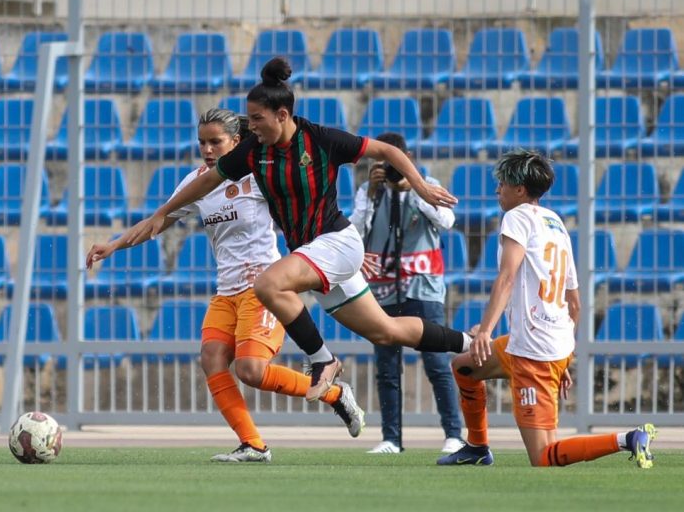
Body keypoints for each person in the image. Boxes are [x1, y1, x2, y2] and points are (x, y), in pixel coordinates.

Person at [121, 56, 471, 404]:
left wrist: (421, 186)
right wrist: (162, 213)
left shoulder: (320, 139)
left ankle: (323, 360)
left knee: (268, 285)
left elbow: (388, 150)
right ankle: (471, 342)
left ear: (282, 115)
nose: (251, 126)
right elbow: (209, 180)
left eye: (257, 119)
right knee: (385, 331)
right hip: (314, 256)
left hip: (336, 242)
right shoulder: (254, 151)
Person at [87, 108, 365, 464]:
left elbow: (304, 197)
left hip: (263, 288)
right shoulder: (197, 183)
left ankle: (335, 394)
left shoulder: (259, 175)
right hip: (226, 291)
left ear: (236, 141)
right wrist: (113, 245)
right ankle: (253, 444)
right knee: (211, 358)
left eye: (215, 142)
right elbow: (158, 220)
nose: (207, 149)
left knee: (251, 371)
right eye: (202, 142)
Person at [438, 149, 657, 468]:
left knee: (543, 456)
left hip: (534, 351)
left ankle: (628, 438)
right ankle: (477, 447)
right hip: (539, 343)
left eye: (502, 183)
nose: (497, 189)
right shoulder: (555, 222)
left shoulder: (517, 217)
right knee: (464, 367)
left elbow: (507, 277)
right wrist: (564, 356)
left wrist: (485, 330)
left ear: (520, 190)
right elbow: (575, 302)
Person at [350, 132, 464, 455]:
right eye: (382, 163)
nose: (389, 169)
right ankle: (391, 438)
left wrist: (416, 188)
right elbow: (355, 233)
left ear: (407, 159)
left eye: (394, 162)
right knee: (387, 367)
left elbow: (447, 220)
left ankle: (454, 434)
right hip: (383, 290)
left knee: (436, 362)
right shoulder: (368, 192)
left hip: (423, 289)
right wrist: (373, 194)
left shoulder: (427, 185)